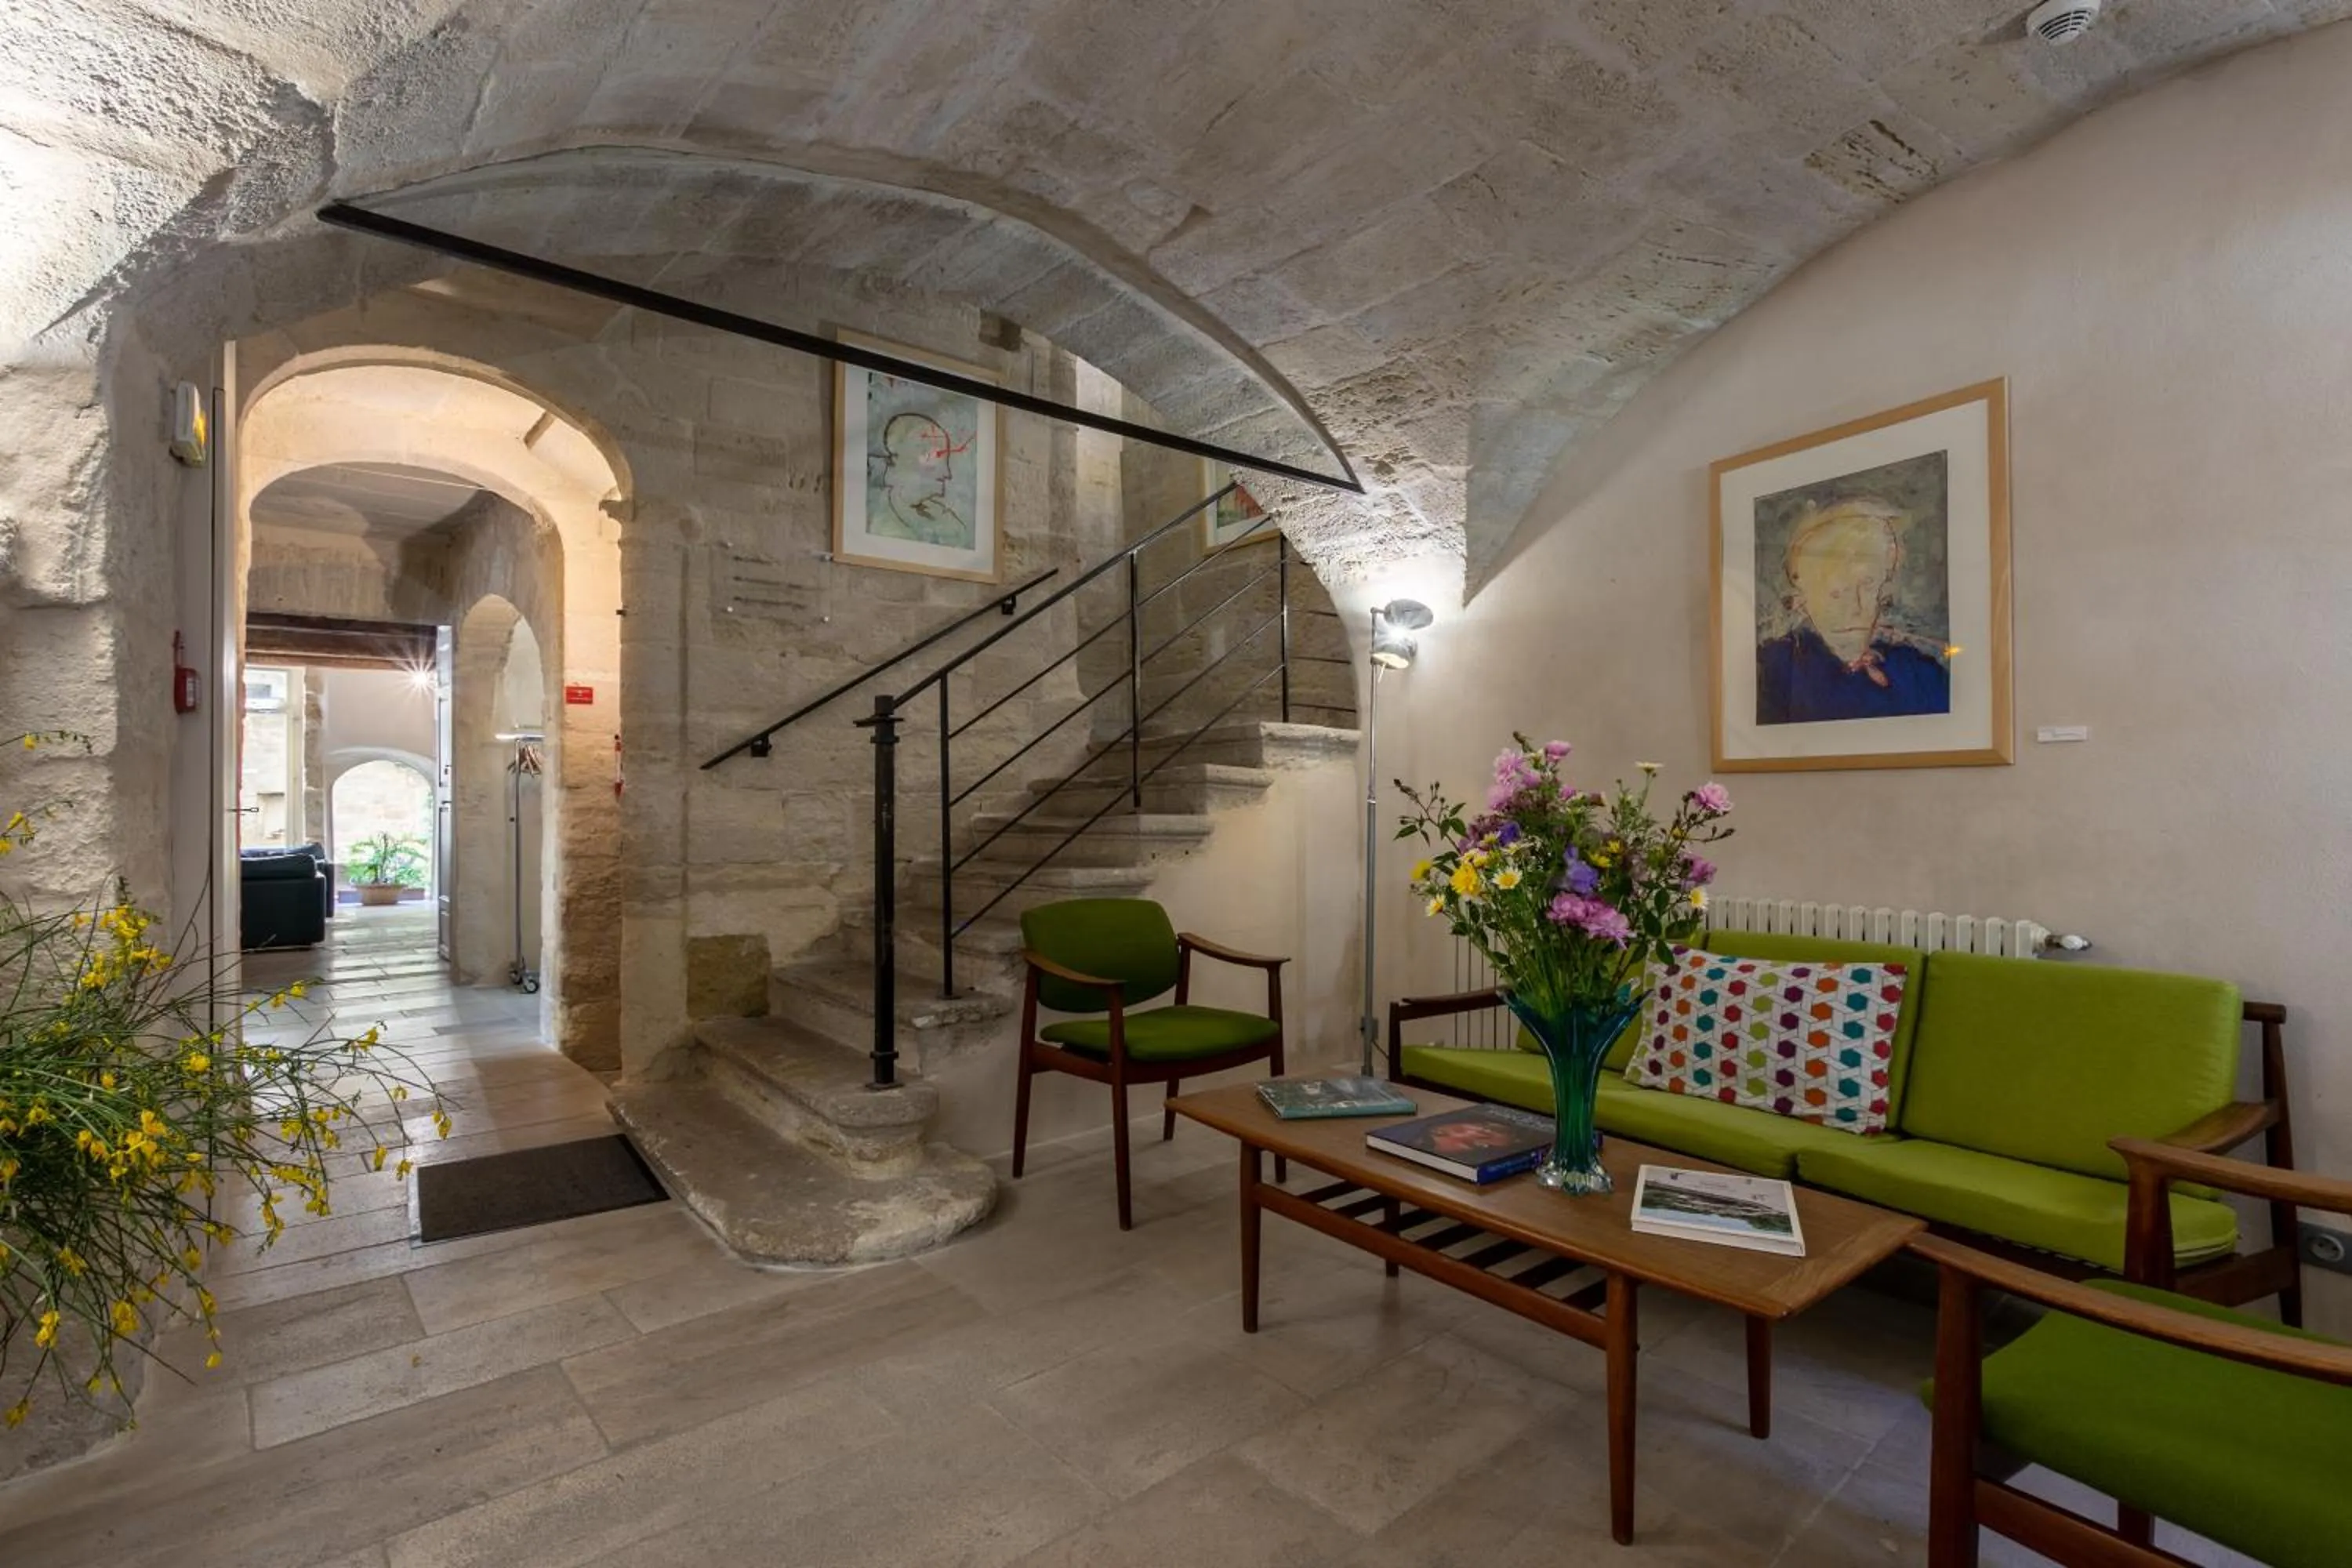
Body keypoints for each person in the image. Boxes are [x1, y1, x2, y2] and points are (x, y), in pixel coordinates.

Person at [1755, 497, 1950, 724]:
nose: (1855, 608)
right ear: (1802, 600)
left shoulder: (1919, 673)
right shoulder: (1775, 668)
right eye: (1836, 593)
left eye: (1868, 586)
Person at [869, 408, 973, 546]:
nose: (947, 475)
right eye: (933, 459)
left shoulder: (944, 518)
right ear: (905, 460)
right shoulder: (882, 520)